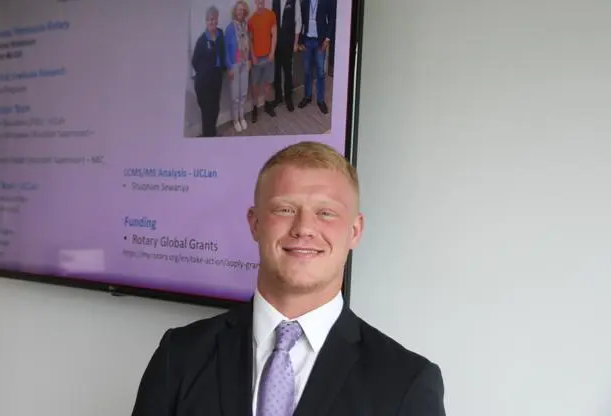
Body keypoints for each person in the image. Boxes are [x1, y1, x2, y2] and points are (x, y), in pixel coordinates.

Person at [132, 141, 447, 416]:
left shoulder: (406, 381)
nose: (303, 228)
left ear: (355, 231)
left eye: (326, 213)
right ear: (254, 224)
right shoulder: (180, 354)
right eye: (284, 209)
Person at [191, 6, 226, 137]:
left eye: (214, 19)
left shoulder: (220, 34)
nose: (212, 22)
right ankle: (208, 137)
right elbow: (194, 61)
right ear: (206, 21)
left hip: (217, 79)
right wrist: (204, 73)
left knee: (215, 109)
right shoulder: (201, 40)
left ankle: (213, 133)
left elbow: (222, 53)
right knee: (207, 112)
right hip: (204, 82)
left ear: (217, 20)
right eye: (209, 20)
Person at [299, 0, 335, 114]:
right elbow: (300, 22)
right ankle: (307, 96)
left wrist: (327, 39)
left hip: (320, 41)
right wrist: (300, 41)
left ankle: (320, 100)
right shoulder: (304, 2)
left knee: (320, 72)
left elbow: (332, 19)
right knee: (307, 71)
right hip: (307, 41)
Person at [248, 0, 278, 123]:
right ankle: (255, 107)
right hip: (257, 59)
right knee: (254, 85)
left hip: (268, 56)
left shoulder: (271, 15)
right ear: (255, 1)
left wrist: (272, 52)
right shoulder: (251, 20)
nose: (260, 1)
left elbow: (274, 34)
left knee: (267, 83)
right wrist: (253, 55)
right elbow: (250, 40)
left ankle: (267, 105)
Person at [225, 1, 253, 132]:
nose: (240, 12)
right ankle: (235, 120)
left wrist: (250, 60)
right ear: (235, 12)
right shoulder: (230, 28)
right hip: (235, 65)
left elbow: (249, 44)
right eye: (238, 10)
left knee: (243, 94)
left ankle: (242, 118)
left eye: (242, 10)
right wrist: (229, 67)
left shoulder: (245, 26)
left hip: (244, 63)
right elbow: (225, 50)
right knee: (235, 97)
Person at [272, 0, 301, 112]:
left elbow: (298, 21)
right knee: (276, 72)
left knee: (288, 71)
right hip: (276, 43)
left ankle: (288, 98)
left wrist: (296, 43)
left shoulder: (295, 1)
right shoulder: (274, 1)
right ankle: (278, 96)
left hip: (288, 42)